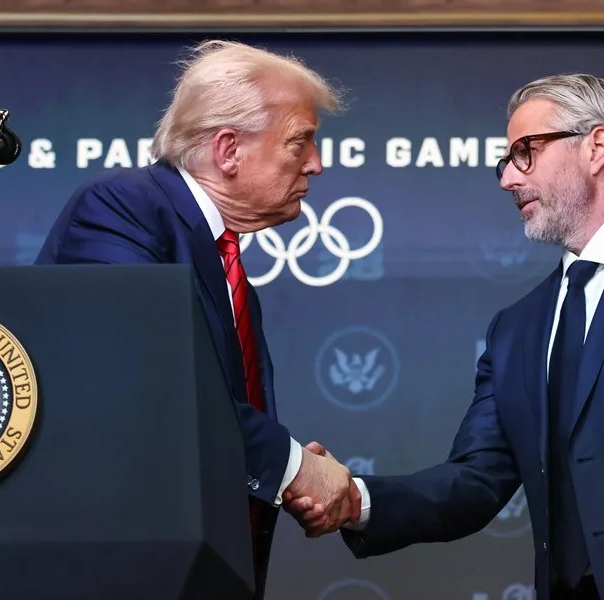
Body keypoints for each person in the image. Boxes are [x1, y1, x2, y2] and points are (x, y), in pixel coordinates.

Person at [287, 74, 604, 599]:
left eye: (526, 151)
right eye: (506, 160)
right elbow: (475, 482)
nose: (508, 178)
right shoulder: (517, 327)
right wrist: (353, 500)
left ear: (596, 146)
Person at [35, 39, 360, 599]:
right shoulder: (123, 208)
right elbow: (143, 384)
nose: (317, 162)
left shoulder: (225, 265)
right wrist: (290, 466)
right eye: (300, 140)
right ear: (228, 149)